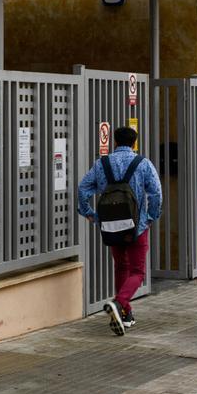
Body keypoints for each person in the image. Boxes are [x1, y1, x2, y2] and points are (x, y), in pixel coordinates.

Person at [77, 125, 162, 335]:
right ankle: (119, 303)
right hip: (137, 226)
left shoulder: (101, 164)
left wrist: (90, 214)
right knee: (137, 271)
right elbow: (156, 193)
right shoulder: (142, 164)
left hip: (111, 225)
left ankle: (125, 314)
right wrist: (151, 217)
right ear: (134, 143)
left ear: (115, 142)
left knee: (121, 268)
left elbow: (82, 188)